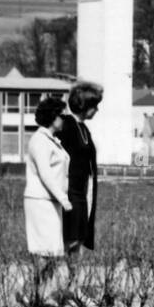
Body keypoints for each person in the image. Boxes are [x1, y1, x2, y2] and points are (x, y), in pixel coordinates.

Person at [24, 95, 72, 302]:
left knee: (51, 252)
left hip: (50, 202)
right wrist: (64, 198)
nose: (65, 119)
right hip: (41, 201)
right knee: (46, 252)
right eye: (62, 115)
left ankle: (35, 294)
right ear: (53, 117)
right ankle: (28, 293)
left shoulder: (52, 141)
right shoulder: (39, 141)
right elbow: (45, 174)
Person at [58, 81, 103, 262]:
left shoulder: (84, 128)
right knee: (68, 241)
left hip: (82, 194)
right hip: (69, 193)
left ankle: (71, 285)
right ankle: (52, 282)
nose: (97, 110)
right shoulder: (66, 125)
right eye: (94, 106)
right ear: (85, 106)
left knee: (77, 241)